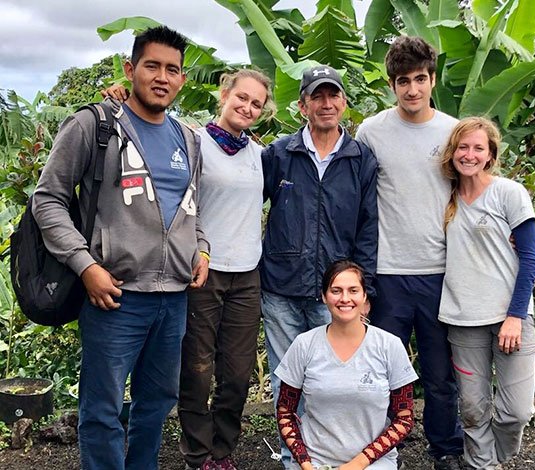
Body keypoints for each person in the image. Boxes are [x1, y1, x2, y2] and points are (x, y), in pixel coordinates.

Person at [32, 26, 209, 470]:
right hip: (115, 296)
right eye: (152, 65)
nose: (162, 77)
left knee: (156, 405)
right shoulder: (94, 125)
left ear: (183, 79)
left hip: (173, 300)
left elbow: (191, 207)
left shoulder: (188, 138)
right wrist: (84, 265)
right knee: (103, 409)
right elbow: (46, 199)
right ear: (131, 70)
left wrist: (201, 248)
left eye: (173, 69)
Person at [104, 69, 275, 470]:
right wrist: (118, 97)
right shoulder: (192, 140)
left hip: (247, 274)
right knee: (197, 370)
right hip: (200, 272)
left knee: (236, 373)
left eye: (256, 103)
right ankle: (198, 455)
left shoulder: (261, 153)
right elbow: (149, 125)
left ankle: (223, 449)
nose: (247, 108)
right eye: (241, 98)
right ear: (224, 94)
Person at [261, 65, 379, 467]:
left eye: (333, 96)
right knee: (286, 380)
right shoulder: (279, 154)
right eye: (317, 96)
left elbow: (368, 226)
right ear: (303, 105)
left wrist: (364, 291)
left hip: (335, 292)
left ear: (344, 103)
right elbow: (242, 197)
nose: (326, 104)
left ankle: (331, 455)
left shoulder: (360, 158)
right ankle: (296, 459)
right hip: (280, 286)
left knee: (330, 379)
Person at [356, 36, 464, 469]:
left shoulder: (453, 131)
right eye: (404, 81)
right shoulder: (372, 131)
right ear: (392, 84)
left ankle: (446, 449)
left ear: (432, 79)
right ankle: (380, 452)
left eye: (421, 79)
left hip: (441, 272)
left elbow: (476, 190)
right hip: (388, 272)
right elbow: (359, 198)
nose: (413, 89)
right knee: (381, 374)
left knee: (441, 376)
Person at [438, 117, 535, 469]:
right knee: (472, 407)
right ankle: (483, 464)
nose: (469, 154)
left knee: (516, 410)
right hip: (463, 318)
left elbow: (530, 259)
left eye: (478, 148)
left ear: (490, 154)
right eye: (462, 147)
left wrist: (515, 315)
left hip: (510, 318)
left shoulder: (508, 193)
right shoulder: (444, 197)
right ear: (453, 152)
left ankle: (493, 455)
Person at [275, 260, 417, 470]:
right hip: (314, 463)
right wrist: (305, 462)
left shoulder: (389, 346)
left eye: (353, 290)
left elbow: (404, 419)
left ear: (364, 296)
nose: (345, 298)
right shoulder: (304, 345)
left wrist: (357, 464)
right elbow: (285, 411)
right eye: (336, 291)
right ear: (324, 296)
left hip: (372, 463)